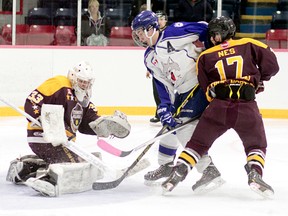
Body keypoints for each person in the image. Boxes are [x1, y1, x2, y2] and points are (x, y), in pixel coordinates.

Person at [162, 16, 279, 198]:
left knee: (197, 144)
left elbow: (206, 89)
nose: (213, 38)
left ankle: (179, 170)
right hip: (246, 107)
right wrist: (256, 81)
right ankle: (255, 172)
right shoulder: (248, 43)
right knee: (256, 144)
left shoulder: (205, 56)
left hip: (218, 107)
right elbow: (272, 66)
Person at [131, 10, 225, 192]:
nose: (139, 36)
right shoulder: (149, 58)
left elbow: (206, 28)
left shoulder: (174, 33)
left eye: (141, 32)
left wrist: (206, 46)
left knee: (182, 128)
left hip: (199, 85)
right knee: (169, 126)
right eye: (137, 34)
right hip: (181, 91)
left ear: (151, 28)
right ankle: (166, 165)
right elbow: (162, 84)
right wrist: (164, 107)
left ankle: (209, 170)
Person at [6, 61, 131, 196]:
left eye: (87, 82)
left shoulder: (83, 97)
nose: (84, 85)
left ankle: (23, 169)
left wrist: (103, 126)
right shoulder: (60, 83)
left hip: (63, 141)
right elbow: (32, 100)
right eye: (81, 81)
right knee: (72, 164)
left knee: (71, 160)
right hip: (44, 136)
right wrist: (40, 118)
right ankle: (49, 180)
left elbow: (85, 123)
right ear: (73, 77)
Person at [147, 10, 168, 124]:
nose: (159, 21)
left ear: (166, 20)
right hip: (157, 67)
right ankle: (159, 113)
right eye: (157, 19)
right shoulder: (154, 34)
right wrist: (149, 68)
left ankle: (170, 112)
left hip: (168, 67)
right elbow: (151, 52)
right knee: (157, 91)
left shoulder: (169, 33)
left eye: (161, 19)